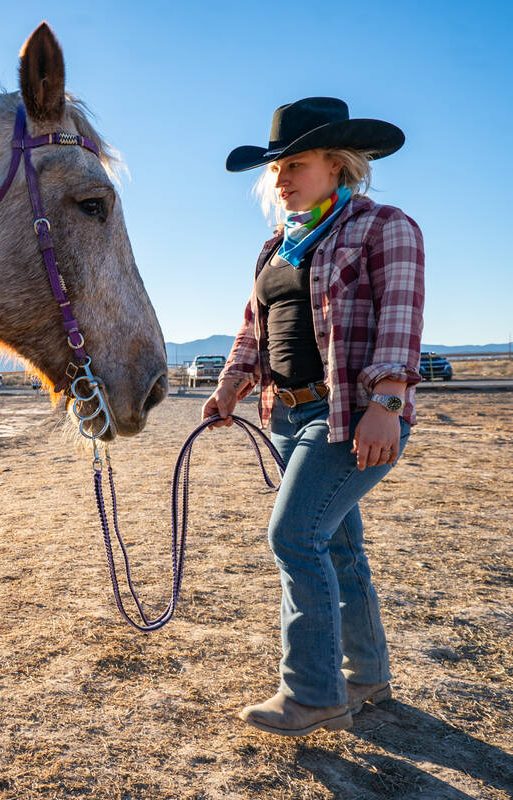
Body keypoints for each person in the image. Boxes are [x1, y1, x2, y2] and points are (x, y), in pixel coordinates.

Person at [205, 97, 424, 736]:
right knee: (339, 549)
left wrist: (386, 404)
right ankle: (368, 676)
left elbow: (401, 323)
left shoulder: (385, 226)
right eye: (276, 168)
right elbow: (255, 330)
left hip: (352, 416)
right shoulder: (277, 246)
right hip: (288, 417)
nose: (280, 178)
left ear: (338, 164)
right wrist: (229, 387)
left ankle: (314, 692)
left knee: (294, 536)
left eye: (294, 163)